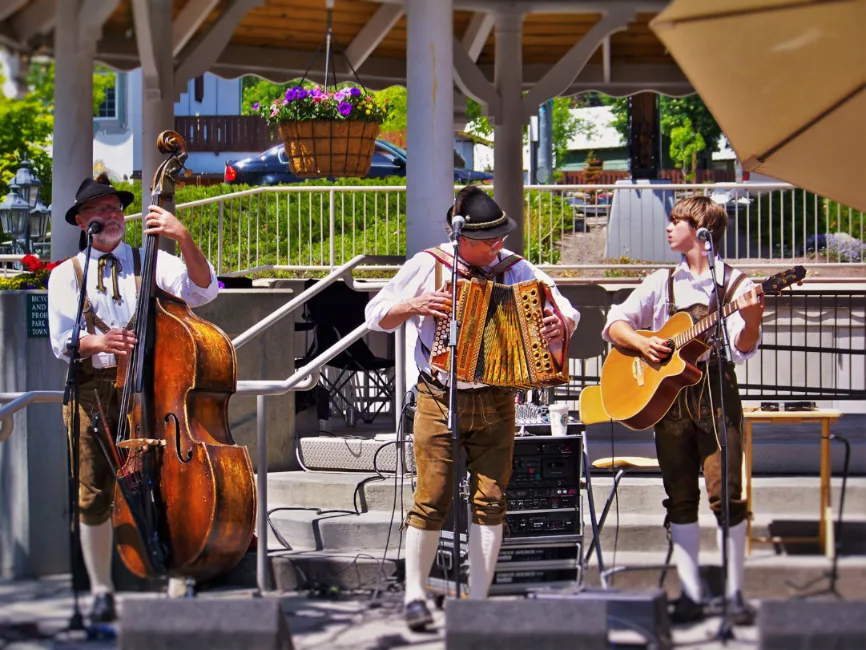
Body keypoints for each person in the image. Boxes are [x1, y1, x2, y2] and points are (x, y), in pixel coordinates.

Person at [365, 185, 579, 631]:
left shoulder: (516, 269)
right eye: (490, 240)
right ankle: (416, 596)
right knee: (431, 497)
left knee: (491, 498)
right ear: (461, 237)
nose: (499, 246)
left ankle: (477, 603)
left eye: (501, 237)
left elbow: (566, 312)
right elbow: (375, 313)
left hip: (498, 396)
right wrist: (414, 305)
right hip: (439, 395)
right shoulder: (430, 265)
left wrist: (557, 322)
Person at [47, 175, 220, 623]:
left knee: (167, 482)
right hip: (93, 391)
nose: (111, 217)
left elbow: (205, 290)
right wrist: (97, 344)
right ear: (82, 221)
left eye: (115, 208)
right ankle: (102, 588)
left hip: (152, 387)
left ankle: (177, 574)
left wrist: (182, 236)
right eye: (100, 211)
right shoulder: (67, 274)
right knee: (93, 491)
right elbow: (60, 340)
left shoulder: (151, 260)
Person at [602, 196, 764, 625]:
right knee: (680, 498)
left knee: (726, 495)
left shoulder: (733, 284)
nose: (669, 228)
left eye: (678, 221)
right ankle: (691, 593)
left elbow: (743, 350)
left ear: (702, 230)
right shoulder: (661, 282)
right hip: (669, 400)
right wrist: (642, 343)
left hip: (715, 392)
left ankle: (734, 596)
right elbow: (614, 323)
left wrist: (752, 320)